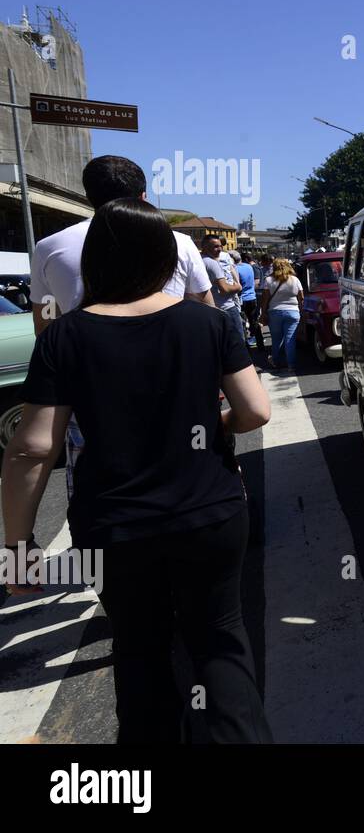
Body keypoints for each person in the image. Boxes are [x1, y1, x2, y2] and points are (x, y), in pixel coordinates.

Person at [1, 198, 273, 741]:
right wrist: (219, 423)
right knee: (220, 639)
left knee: (139, 648)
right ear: (164, 257)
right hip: (210, 512)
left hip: (114, 525)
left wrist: (18, 547)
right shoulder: (208, 323)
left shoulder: (64, 336)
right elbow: (256, 411)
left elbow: (33, 450)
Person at [30, 156, 213, 335]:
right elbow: (207, 311)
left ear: (88, 197)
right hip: (171, 356)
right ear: (143, 197)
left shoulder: (49, 247)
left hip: (87, 359)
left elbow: (45, 324)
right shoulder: (180, 242)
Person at [201, 236, 246, 345]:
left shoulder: (198, 260)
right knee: (238, 341)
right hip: (226, 307)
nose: (220, 249)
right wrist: (238, 287)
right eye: (215, 247)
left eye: (221, 246)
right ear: (205, 247)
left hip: (208, 308)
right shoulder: (212, 263)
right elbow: (224, 289)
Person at [261, 258, 304, 370]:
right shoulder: (295, 280)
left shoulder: (269, 280)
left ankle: (275, 361)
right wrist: (302, 311)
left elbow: (265, 299)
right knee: (290, 340)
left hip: (274, 312)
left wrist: (263, 313)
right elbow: (301, 298)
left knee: (276, 339)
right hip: (293, 312)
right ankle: (291, 365)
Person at [232, 251, 263, 352]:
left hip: (242, 299)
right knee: (254, 321)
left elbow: (237, 285)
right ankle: (260, 344)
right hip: (252, 297)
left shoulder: (235, 269)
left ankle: (246, 348)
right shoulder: (249, 266)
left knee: (242, 323)